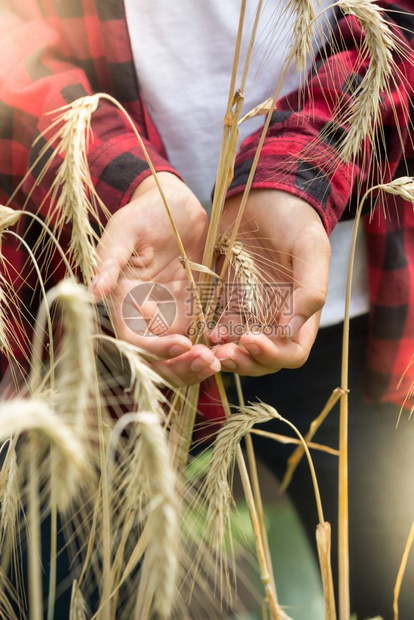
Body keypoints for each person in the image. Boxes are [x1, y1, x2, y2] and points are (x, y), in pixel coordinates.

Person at [0, 0, 413, 617]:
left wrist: (295, 174)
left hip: (360, 306)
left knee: (396, 588)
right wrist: (125, 181)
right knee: (57, 590)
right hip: (91, 307)